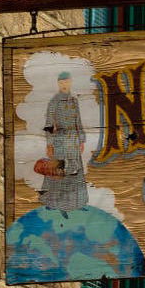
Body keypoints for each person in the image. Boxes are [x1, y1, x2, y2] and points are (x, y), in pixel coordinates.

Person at [42, 71, 88, 211]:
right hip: (60, 143)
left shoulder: (74, 101)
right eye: (61, 82)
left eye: (66, 81)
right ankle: (54, 204)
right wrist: (49, 144)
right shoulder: (54, 102)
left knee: (75, 173)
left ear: (70, 82)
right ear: (58, 84)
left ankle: (77, 204)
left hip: (73, 142)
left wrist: (81, 139)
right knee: (59, 172)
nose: (64, 85)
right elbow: (49, 125)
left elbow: (78, 121)